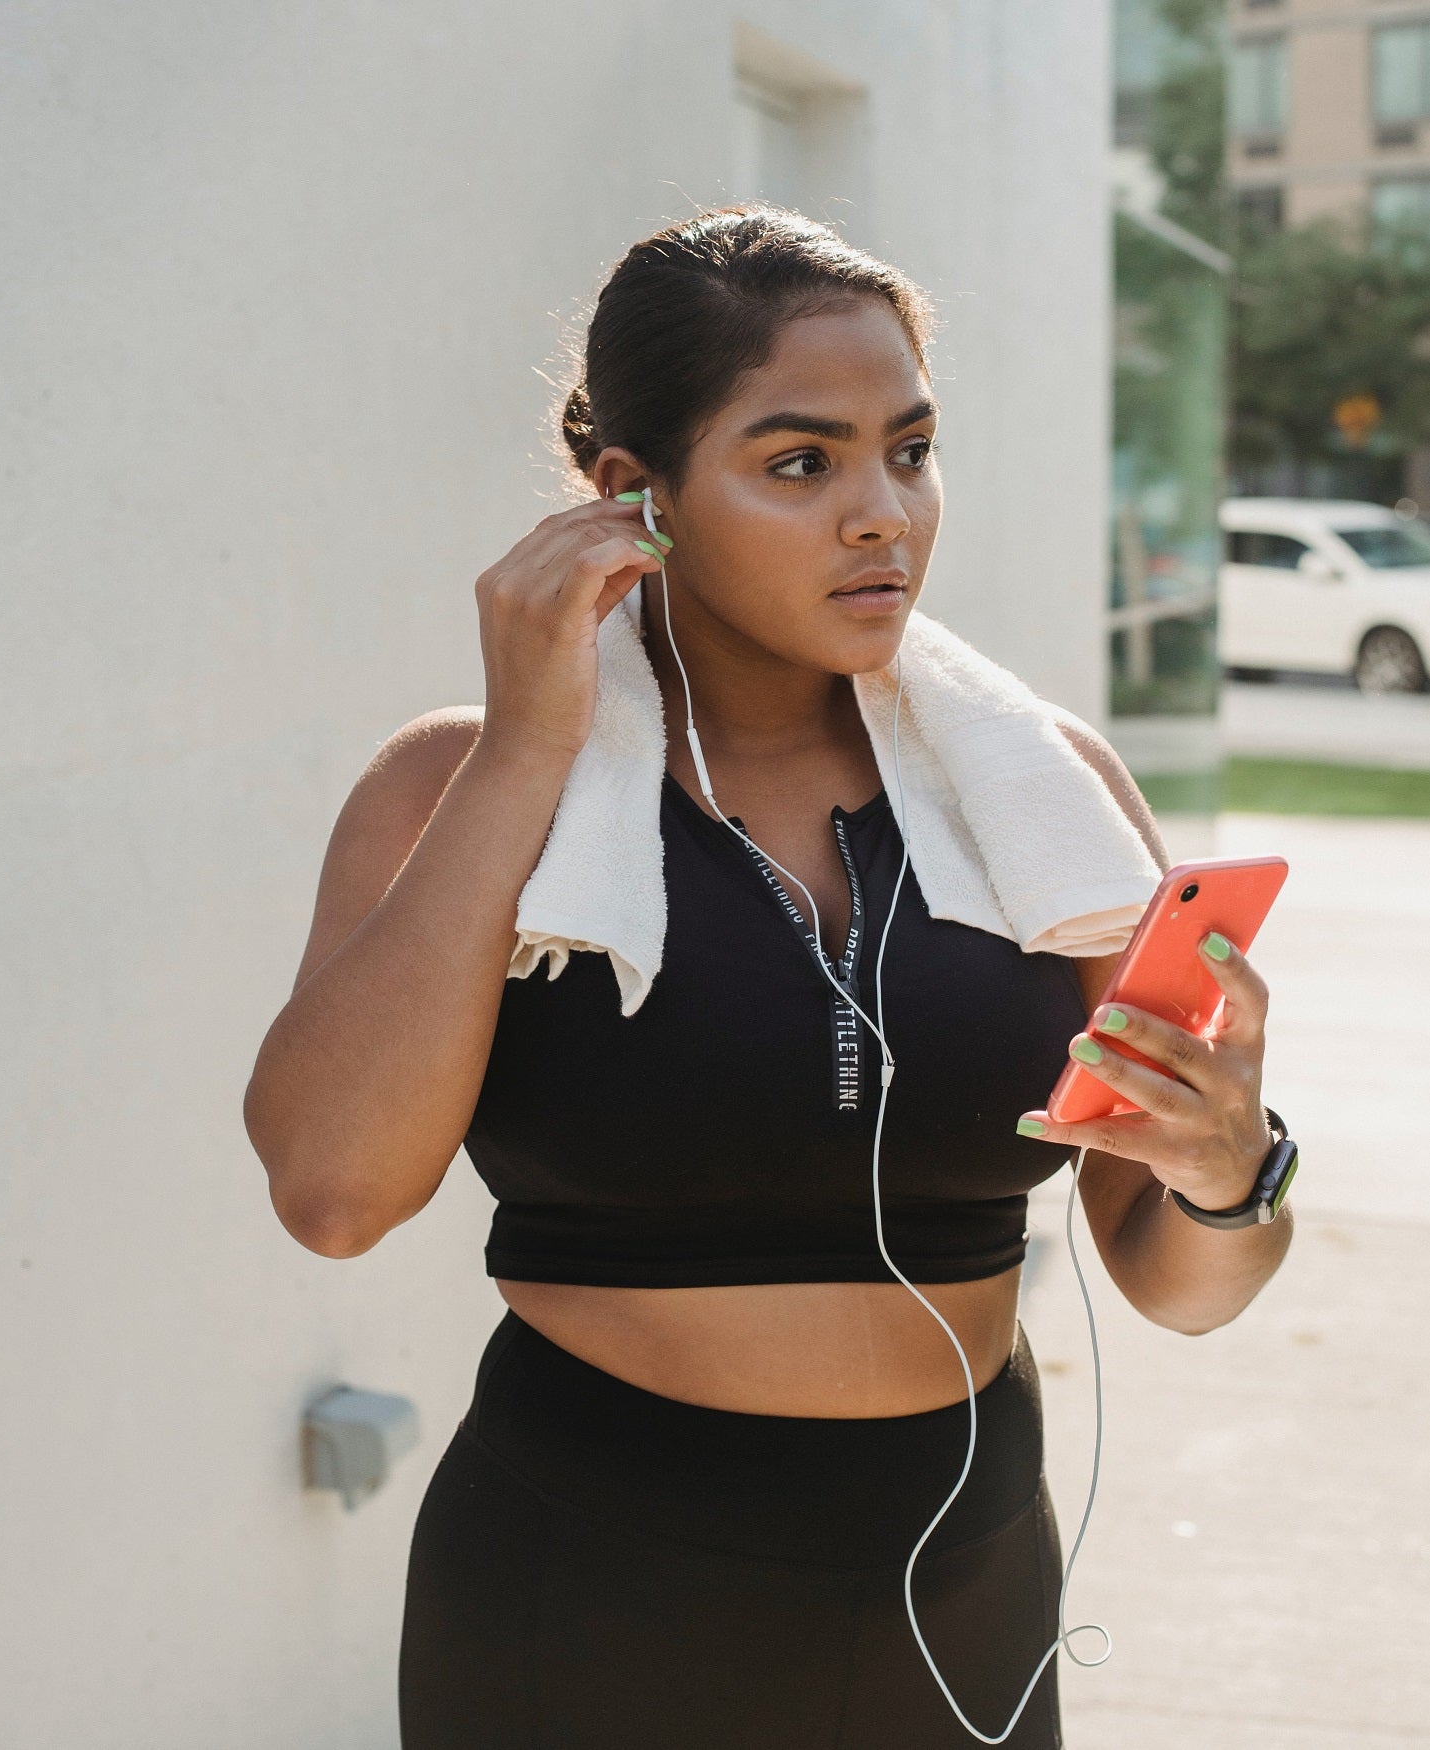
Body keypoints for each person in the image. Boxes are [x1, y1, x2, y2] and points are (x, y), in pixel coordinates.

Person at [243, 205, 1293, 1749]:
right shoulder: (458, 786)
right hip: (587, 1587)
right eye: (800, 462)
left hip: (964, 1588)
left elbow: (1178, 1283)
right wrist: (530, 740)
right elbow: (331, 1193)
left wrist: (1229, 1167)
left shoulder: (1049, 796)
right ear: (631, 498)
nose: (882, 514)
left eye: (910, 450)